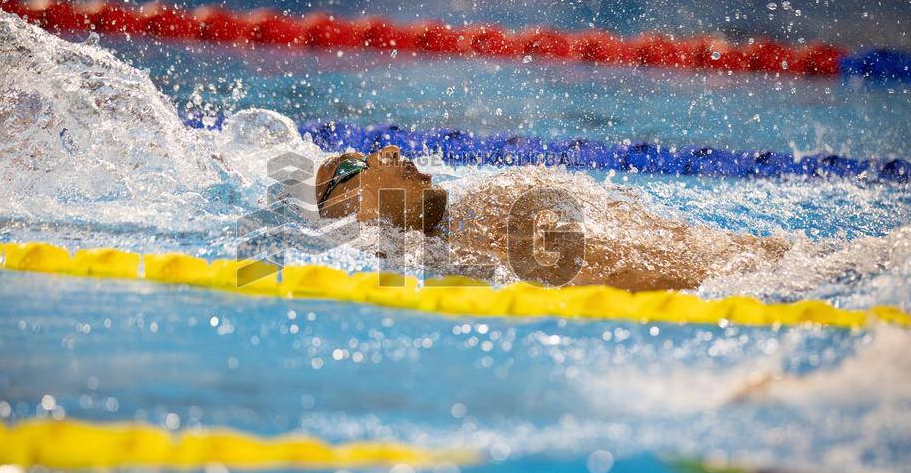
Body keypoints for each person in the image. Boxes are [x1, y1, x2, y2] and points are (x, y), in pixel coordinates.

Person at [315, 145, 791, 291]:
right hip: (758, 279)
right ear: (349, 203)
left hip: (769, 259)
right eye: (358, 163)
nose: (389, 150)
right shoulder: (465, 250)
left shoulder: (474, 213)